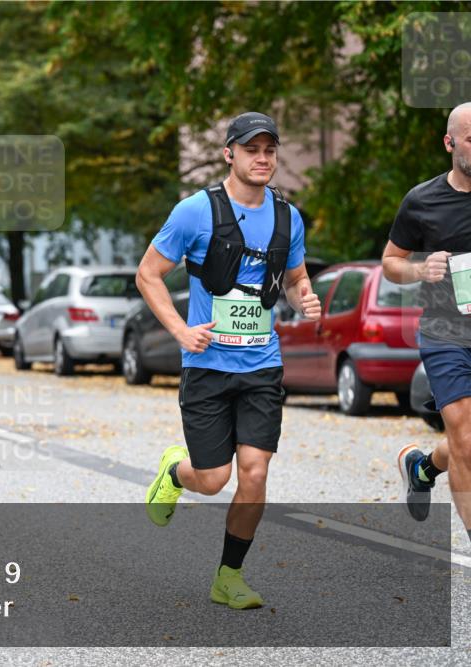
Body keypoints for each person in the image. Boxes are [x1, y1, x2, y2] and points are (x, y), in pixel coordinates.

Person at [136, 112, 320, 609]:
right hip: (208, 366)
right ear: (229, 154)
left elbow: (298, 276)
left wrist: (306, 297)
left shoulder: (287, 217)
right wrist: (180, 329)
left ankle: (229, 576)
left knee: (255, 473)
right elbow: (148, 274)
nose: (262, 158)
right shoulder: (195, 211)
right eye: (251, 149)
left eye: (270, 150)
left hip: (261, 364)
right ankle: (176, 472)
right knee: (214, 479)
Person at [385, 102, 471, 543]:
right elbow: (390, 263)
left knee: (464, 443)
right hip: (446, 333)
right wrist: (420, 269)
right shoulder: (423, 200)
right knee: (466, 437)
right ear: (450, 142)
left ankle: (422, 467)